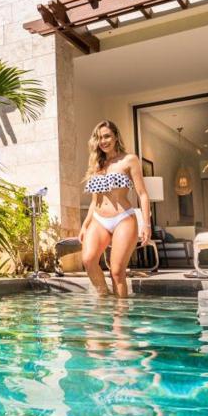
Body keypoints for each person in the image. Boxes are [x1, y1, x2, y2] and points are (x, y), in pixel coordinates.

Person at [79, 120, 151, 297]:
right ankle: (104, 300)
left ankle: (120, 317)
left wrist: (146, 225)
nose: (103, 141)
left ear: (116, 136)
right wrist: (85, 225)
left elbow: (142, 194)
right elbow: (95, 200)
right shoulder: (97, 164)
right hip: (99, 219)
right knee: (88, 260)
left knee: (117, 272)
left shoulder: (129, 160)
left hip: (123, 218)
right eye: (99, 138)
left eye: (107, 136)